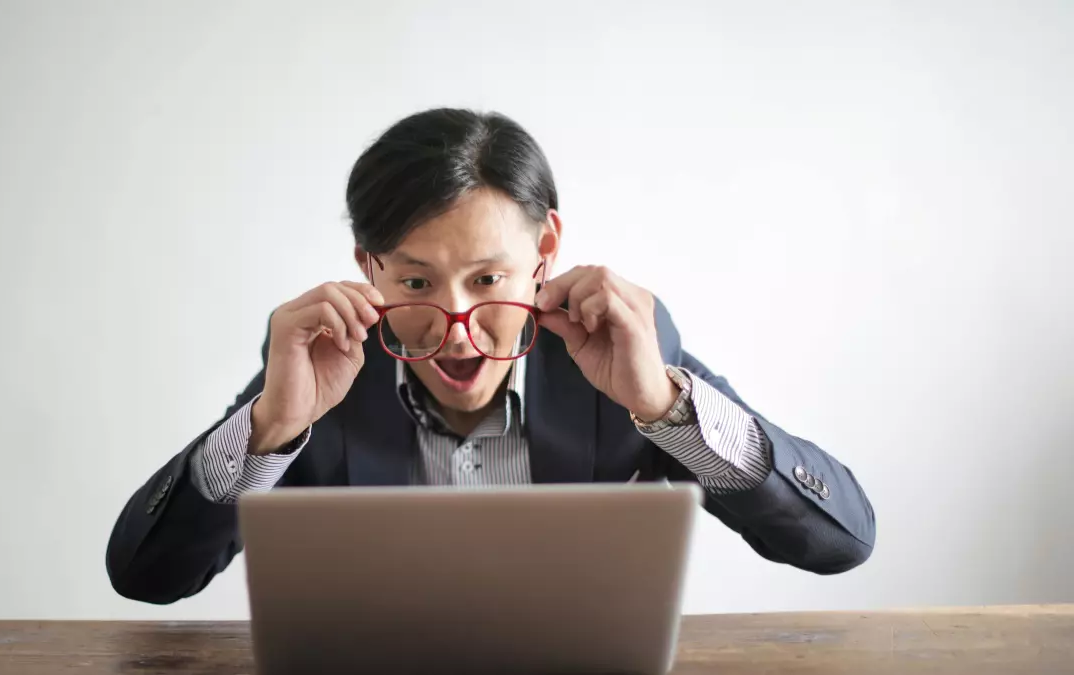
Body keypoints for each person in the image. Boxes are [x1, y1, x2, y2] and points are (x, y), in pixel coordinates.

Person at [106, 108, 876, 605]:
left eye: (487, 279)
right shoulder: (325, 367)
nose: (457, 326)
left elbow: (841, 541)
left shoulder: (622, 349)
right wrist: (271, 427)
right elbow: (146, 576)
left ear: (544, 252)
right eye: (415, 281)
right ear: (367, 266)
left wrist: (665, 407)